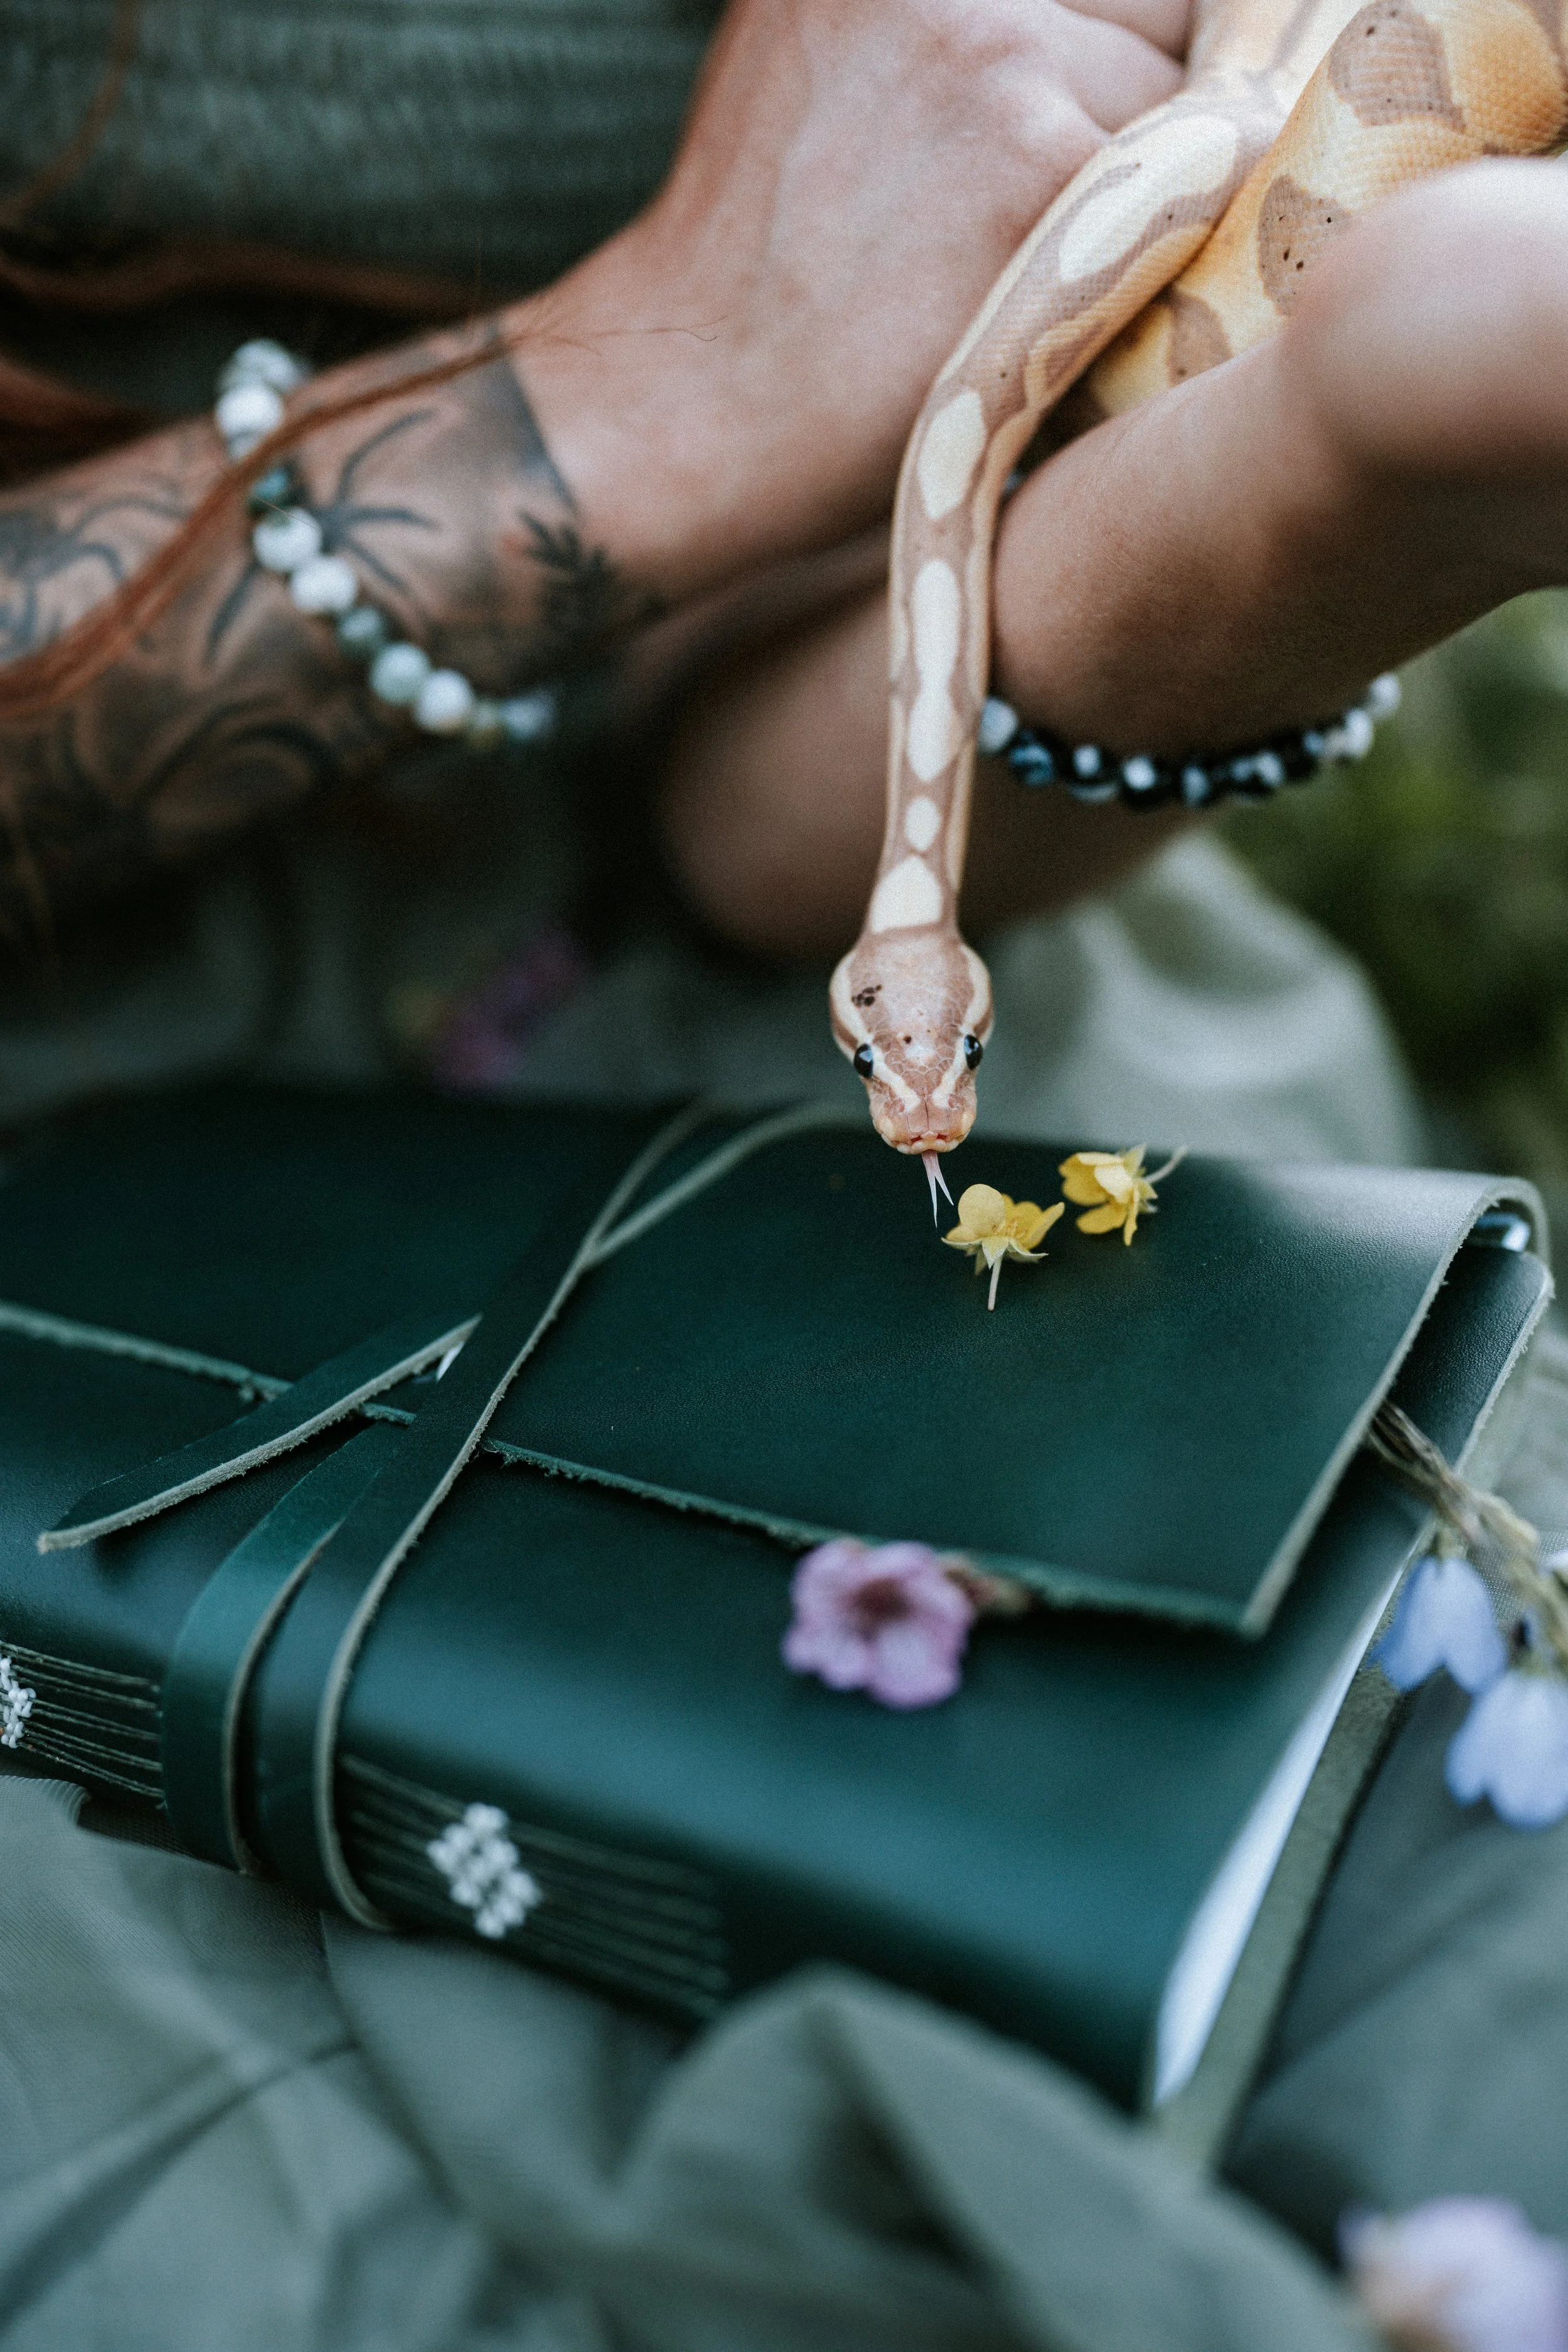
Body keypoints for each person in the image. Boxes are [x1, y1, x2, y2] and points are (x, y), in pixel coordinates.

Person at [1, 7, 1567, 2348]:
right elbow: (790, 368)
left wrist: (1307, 486)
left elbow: (761, 830)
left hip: (742, 907)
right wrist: (648, 382)